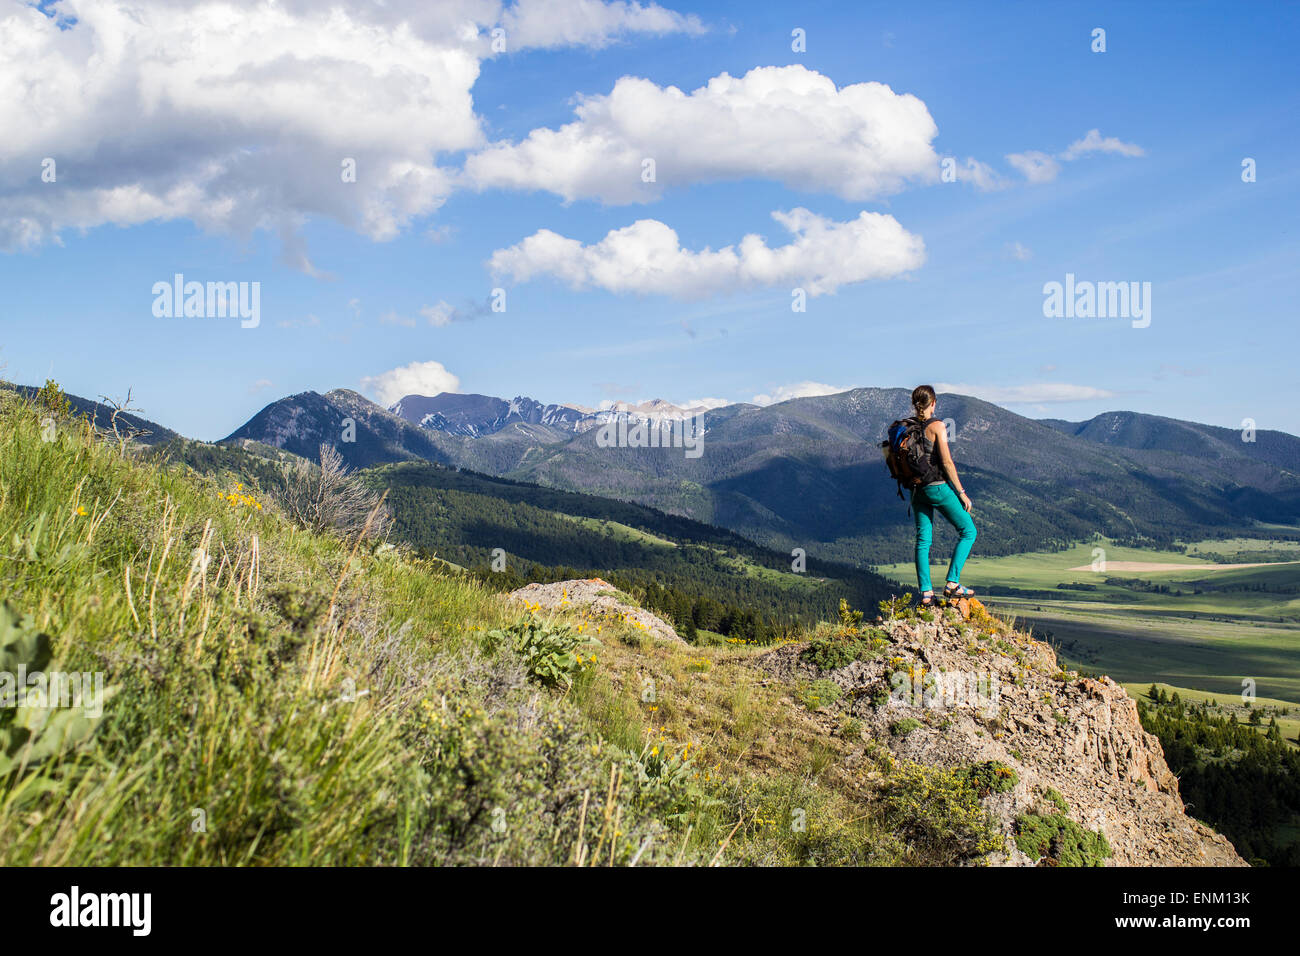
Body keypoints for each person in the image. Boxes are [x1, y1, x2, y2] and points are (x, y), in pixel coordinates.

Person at [907, 385, 976, 606]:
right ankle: (952, 583)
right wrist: (961, 492)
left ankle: (926, 594)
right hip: (937, 488)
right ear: (933, 403)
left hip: (917, 490)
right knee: (968, 530)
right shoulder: (936, 426)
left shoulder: (907, 427)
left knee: (923, 540)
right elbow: (946, 462)